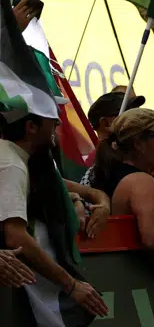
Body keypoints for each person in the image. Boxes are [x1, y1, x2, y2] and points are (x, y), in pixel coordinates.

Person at [0, 111, 106, 315]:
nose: (58, 123)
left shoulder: (14, 158)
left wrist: (92, 202)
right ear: (31, 127)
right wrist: (71, 285)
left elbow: (87, 192)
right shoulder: (12, 165)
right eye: (52, 119)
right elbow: (16, 236)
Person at [89, 108, 154, 304]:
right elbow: (152, 239)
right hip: (134, 284)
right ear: (138, 144)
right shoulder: (141, 182)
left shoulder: (107, 174)